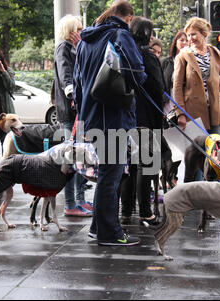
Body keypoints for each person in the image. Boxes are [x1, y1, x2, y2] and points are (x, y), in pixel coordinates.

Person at [73, 0, 147, 246]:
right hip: (114, 116)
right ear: (127, 18)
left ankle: (98, 227)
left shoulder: (85, 40)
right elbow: (137, 72)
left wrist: (84, 116)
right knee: (111, 175)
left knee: (106, 173)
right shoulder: (119, 34)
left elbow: (78, 84)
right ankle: (109, 232)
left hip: (91, 116)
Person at [120, 16, 164, 226]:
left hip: (126, 118)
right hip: (146, 118)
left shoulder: (123, 53)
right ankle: (146, 211)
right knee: (146, 166)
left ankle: (126, 210)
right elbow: (157, 88)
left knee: (129, 166)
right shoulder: (148, 56)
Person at [54, 14, 92, 217]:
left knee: (80, 158)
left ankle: (80, 200)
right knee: (71, 157)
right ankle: (70, 203)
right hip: (71, 111)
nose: (81, 31)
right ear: (69, 32)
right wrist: (73, 94)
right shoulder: (64, 48)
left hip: (78, 110)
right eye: (78, 29)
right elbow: (66, 76)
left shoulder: (76, 48)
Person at [173, 17, 220, 135]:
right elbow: (177, 86)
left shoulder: (215, 53)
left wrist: (216, 80)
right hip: (193, 113)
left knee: (218, 148)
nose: (190, 38)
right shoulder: (183, 55)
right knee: (198, 151)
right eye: (188, 35)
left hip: (215, 112)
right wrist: (180, 113)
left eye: (193, 34)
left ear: (203, 34)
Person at [161, 30, 188, 114]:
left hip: (186, 101)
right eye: (182, 40)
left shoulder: (191, 63)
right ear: (175, 42)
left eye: (187, 40)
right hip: (169, 100)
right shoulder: (166, 62)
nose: (185, 43)